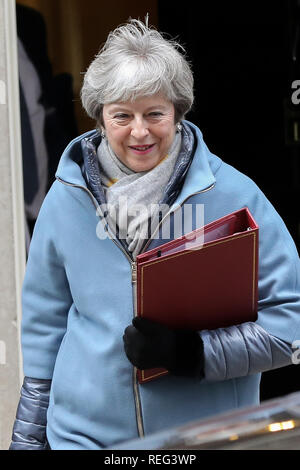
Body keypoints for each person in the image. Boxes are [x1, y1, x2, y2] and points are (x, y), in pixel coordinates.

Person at [10, 18, 300, 450]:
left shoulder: (235, 196)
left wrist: (192, 354)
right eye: (122, 115)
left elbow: (291, 326)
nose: (140, 131)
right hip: (82, 438)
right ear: (99, 117)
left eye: (155, 114)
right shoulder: (65, 197)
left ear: (178, 112)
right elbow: (44, 329)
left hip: (204, 440)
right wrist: (28, 440)